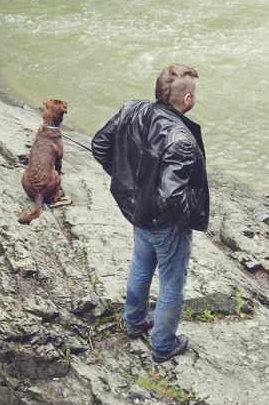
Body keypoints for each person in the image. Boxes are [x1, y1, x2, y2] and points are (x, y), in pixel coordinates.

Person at [91, 64, 209, 363]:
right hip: (164, 223)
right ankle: (163, 346)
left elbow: (99, 146)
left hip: (137, 213)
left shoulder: (133, 109)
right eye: (195, 92)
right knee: (172, 284)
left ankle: (134, 323)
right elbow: (171, 197)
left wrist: (130, 186)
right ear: (187, 100)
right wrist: (181, 223)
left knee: (141, 267)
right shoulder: (181, 139)